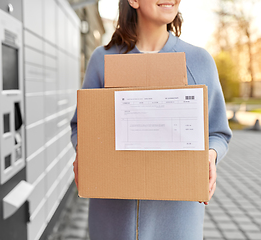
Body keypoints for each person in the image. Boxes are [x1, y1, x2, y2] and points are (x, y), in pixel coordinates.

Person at [70, 0, 232, 239]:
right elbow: (81, 126)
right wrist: (84, 151)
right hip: (112, 221)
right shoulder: (103, 59)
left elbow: (218, 132)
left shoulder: (199, 60)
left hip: (175, 222)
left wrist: (210, 154)